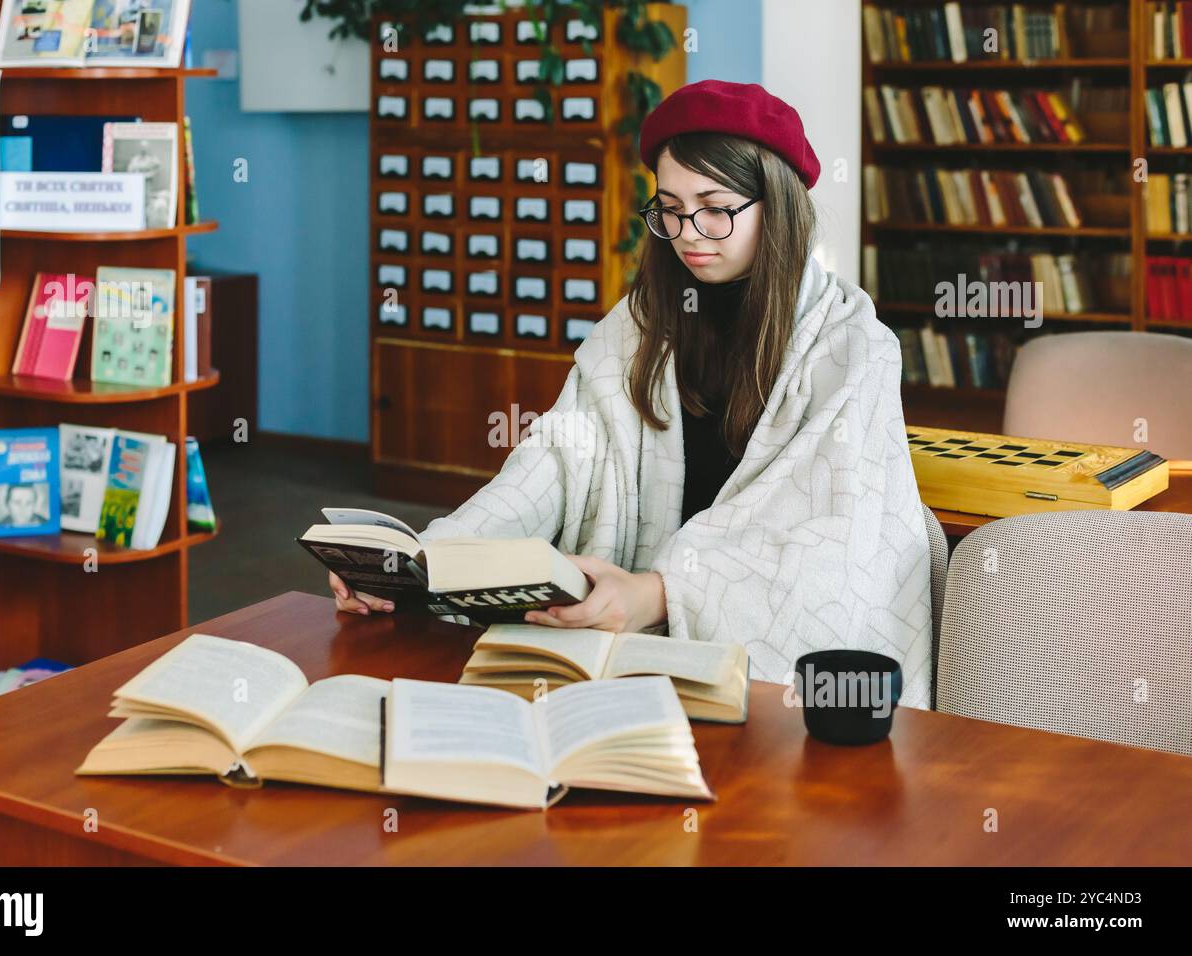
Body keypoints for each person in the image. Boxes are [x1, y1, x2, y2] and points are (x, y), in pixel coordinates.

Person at [330, 80, 934, 707]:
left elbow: (832, 543)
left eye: (715, 206)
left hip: (751, 664)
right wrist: (425, 562)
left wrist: (660, 593)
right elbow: (554, 462)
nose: (689, 233)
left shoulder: (854, 347)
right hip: (625, 637)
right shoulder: (640, 324)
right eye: (669, 208)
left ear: (777, 206)